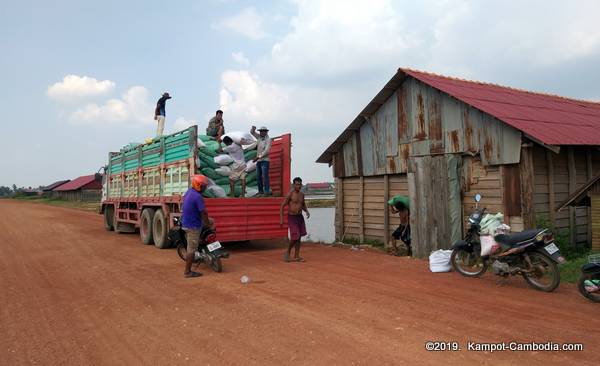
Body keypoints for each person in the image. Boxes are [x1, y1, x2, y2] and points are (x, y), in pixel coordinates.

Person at [181, 174, 214, 278]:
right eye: (203, 186)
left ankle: (203, 241)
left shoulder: (189, 191)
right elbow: (203, 213)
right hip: (193, 225)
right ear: (198, 185)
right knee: (191, 249)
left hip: (187, 221)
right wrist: (207, 225)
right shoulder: (198, 196)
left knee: (212, 221)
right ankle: (187, 272)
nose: (205, 188)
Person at [280, 177, 310, 262]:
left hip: (299, 217)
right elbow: (282, 206)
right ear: (293, 185)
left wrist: (307, 211)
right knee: (295, 236)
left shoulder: (302, 194)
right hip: (292, 217)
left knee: (299, 237)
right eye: (297, 184)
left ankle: (296, 256)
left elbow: (303, 204)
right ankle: (287, 252)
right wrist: (281, 219)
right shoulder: (290, 194)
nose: (299, 186)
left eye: (300, 184)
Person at [250, 126, 272, 196]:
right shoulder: (259, 137)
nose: (261, 132)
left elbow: (267, 151)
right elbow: (252, 133)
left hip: (265, 160)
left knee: (265, 176)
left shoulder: (268, 140)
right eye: (260, 131)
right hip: (259, 161)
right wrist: (253, 129)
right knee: (258, 176)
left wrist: (258, 157)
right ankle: (260, 191)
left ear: (266, 132)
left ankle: (267, 191)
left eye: (263, 131)